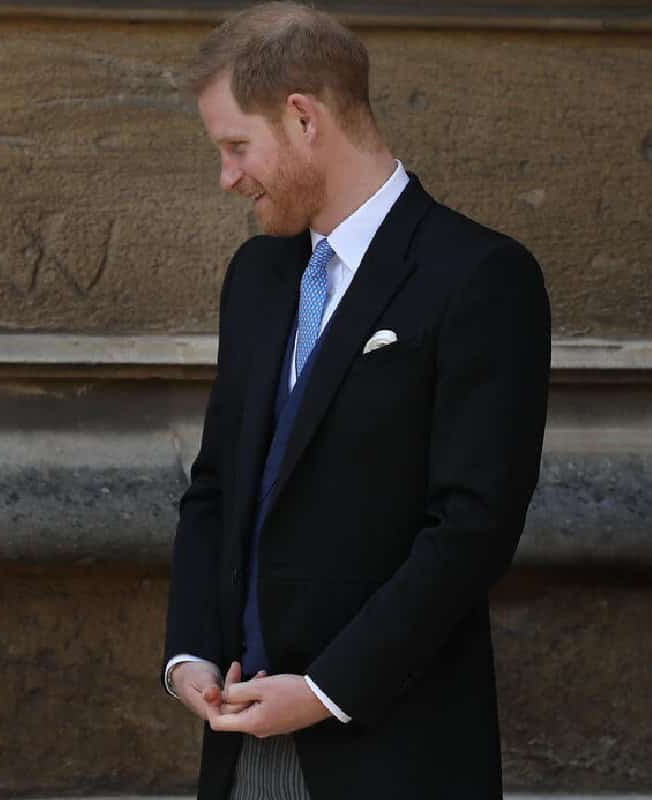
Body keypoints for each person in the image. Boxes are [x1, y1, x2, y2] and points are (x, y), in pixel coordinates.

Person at [162, 4, 550, 799]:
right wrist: (189, 654)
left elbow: (473, 528)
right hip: (241, 753)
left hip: (394, 752)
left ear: (304, 117)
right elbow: (217, 486)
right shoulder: (258, 278)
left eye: (237, 146)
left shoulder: (480, 278)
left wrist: (326, 690)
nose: (227, 177)